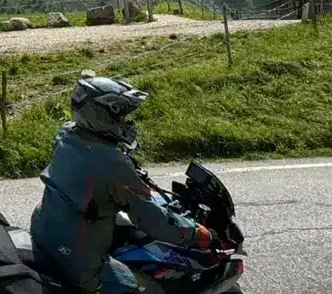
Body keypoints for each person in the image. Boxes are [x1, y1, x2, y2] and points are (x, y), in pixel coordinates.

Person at [29, 73, 217, 293]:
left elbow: (88, 180)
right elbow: (155, 222)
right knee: (154, 289)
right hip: (79, 266)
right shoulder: (113, 164)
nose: (126, 123)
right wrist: (198, 233)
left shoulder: (67, 134)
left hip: (44, 232)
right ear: (100, 115)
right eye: (119, 115)